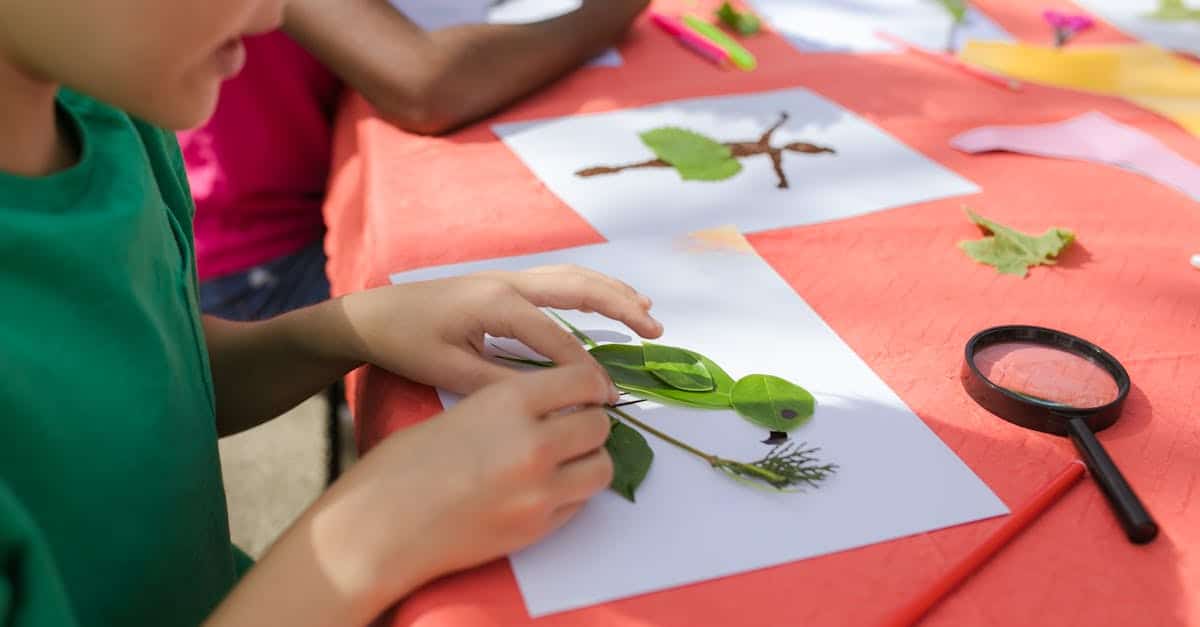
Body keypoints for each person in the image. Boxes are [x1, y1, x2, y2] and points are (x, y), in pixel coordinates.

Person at [0, 1, 663, 625]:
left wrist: (353, 325)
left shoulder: (110, 116)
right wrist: (373, 532)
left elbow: (144, 389)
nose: (271, 14)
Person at [183, 0, 650, 321]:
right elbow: (424, 86)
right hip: (248, 265)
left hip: (272, 213)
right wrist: (607, 14)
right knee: (539, 295)